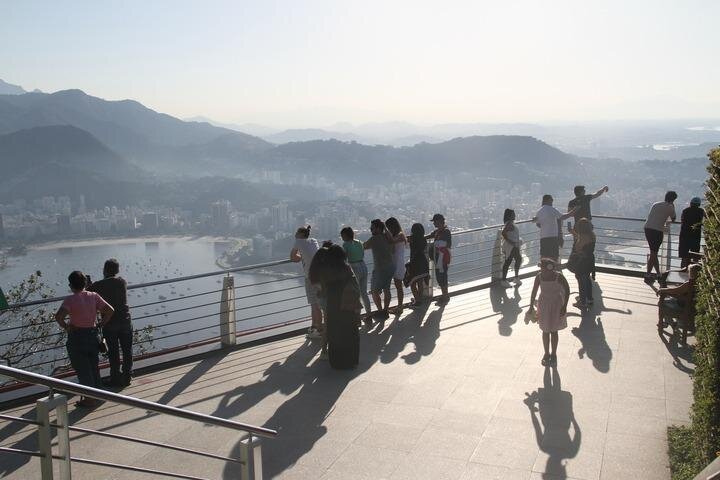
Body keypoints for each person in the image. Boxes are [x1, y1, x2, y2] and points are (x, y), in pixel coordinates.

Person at [54, 271, 114, 408]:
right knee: (93, 367)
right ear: (85, 283)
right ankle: (98, 393)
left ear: (70, 285)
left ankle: (89, 399)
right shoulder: (94, 296)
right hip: (92, 335)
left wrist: (67, 327)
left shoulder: (70, 300)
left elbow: (59, 317)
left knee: (83, 369)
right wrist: (101, 323)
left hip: (77, 337)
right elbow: (110, 310)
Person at [309, 242, 361, 368]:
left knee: (335, 332)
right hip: (347, 304)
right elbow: (355, 285)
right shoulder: (346, 267)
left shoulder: (325, 270)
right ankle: (351, 360)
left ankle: (336, 361)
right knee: (349, 332)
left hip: (333, 303)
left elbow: (323, 290)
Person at [88, 258, 133, 387]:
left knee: (113, 352)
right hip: (125, 319)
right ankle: (127, 377)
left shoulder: (98, 285)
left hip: (110, 322)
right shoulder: (122, 282)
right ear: (117, 270)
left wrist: (88, 284)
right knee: (127, 351)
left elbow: (88, 292)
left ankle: (115, 378)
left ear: (105, 270)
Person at [529, 258, 570, 366]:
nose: (541, 271)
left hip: (557, 305)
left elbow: (567, 289)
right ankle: (546, 353)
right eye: (541, 269)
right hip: (543, 305)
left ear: (550, 269)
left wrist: (564, 306)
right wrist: (531, 307)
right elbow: (534, 292)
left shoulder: (559, 277)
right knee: (545, 330)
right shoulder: (539, 277)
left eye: (543, 268)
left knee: (554, 331)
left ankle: (554, 354)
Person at [290, 225, 323, 339]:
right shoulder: (314, 241)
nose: (295, 234)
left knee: (315, 304)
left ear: (301, 234)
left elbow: (293, 257)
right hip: (321, 275)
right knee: (318, 303)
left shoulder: (298, 241)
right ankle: (314, 327)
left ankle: (319, 330)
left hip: (310, 277)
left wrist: (301, 257)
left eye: (296, 232)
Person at [363, 219, 395, 320]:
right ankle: (385, 310)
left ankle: (381, 311)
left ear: (378, 228)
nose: (370, 229)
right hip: (390, 266)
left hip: (380, 268)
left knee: (374, 291)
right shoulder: (386, 237)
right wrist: (384, 227)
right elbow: (392, 242)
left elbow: (364, 246)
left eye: (372, 228)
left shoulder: (374, 239)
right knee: (386, 289)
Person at [644, 191, 678, 283]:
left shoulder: (656, 204)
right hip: (657, 230)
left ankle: (658, 274)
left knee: (653, 253)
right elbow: (674, 219)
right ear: (673, 200)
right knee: (654, 253)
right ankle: (648, 275)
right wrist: (673, 206)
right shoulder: (670, 207)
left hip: (648, 228)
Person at [340, 227, 372, 321]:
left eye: (342, 235)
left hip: (354, 267)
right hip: (363, 265)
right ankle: (369, 314)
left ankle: (357, 317)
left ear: (345, 235)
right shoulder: (359, 242)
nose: (342, 237)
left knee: (356, 293)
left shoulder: (345, 245)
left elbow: (344, 258)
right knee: (364, 293)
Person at [657, 263, 700, 334]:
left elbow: (675, 291)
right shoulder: (699, 283)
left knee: (662, 302)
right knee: (670, 299)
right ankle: (671, 322)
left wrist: (662, 290)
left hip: (682, 306)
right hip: (692, 307)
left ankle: (667, 322)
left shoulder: (689, 284)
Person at [534, 195, 576, 261]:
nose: (552, 202)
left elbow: (538, 224)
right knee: (554, 255)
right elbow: (563, 217)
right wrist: (573, 211)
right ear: (548, 200)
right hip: (552, 236)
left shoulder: (539, 211)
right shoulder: (551, 209)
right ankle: (554, 267)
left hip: (543, 237)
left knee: (544, 256)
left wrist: (546, 226)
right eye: (551, 200)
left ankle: (544, 267)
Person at [567, 218, 596, 309]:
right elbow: (583, 242)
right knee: (587, 280)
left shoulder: (582, 238)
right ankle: (590, 299)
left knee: (581, 282)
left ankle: (582, 302)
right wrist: (574, 233)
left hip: (581, 262)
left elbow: (578, 248)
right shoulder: (592, 235)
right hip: (589, 261)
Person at [427, 213, 452, 304]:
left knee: (442, 277)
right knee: (440, 277)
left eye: (434, 221)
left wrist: (437, 244)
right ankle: (444, 295)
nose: (433, 223)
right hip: (438, 259)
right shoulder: (437, 232)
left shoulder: (446, 231)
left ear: (439, 221)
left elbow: (448, 244)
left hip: (442, 259)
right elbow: (429, 236)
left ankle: (445, 296)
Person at [385, 217, 407, 315]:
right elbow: (392, 249)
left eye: (388, 227)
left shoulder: (400, 235)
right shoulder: (395, 236)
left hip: (399, 264)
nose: (388, 229)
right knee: (398, 286)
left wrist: (385, 231)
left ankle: (400, 307)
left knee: (399, 286)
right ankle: (399, 306)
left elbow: (393, 241)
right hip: (395, 263)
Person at [406, 223, 430, 305]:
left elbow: (405, 239)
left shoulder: (412, 239)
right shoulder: (423, 239)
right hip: (422, 261)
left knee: (412, 283)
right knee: (420, 282)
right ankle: (419, 299)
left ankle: (417, 300)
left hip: (414, 262)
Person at [678, 197, 705, 268]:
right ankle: (694, 271)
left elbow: (682, 220)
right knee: (695, 256)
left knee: (684, 256)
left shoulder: (685, 211)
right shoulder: (701, 211)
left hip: (684, 235)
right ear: (699, 204)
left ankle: (683, 270)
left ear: (690, 203)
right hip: (695, 236)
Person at [501, 208, 522, 288]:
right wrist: (510, 241)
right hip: (512, 246)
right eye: (513, 214)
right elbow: (503, 233)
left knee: (510, 261)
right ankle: (509, 279)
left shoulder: (510, 223)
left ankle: (511, 278)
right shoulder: (509, 224)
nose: (514, 215)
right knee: (514, 260)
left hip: (513, 245)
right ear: (509, 216)